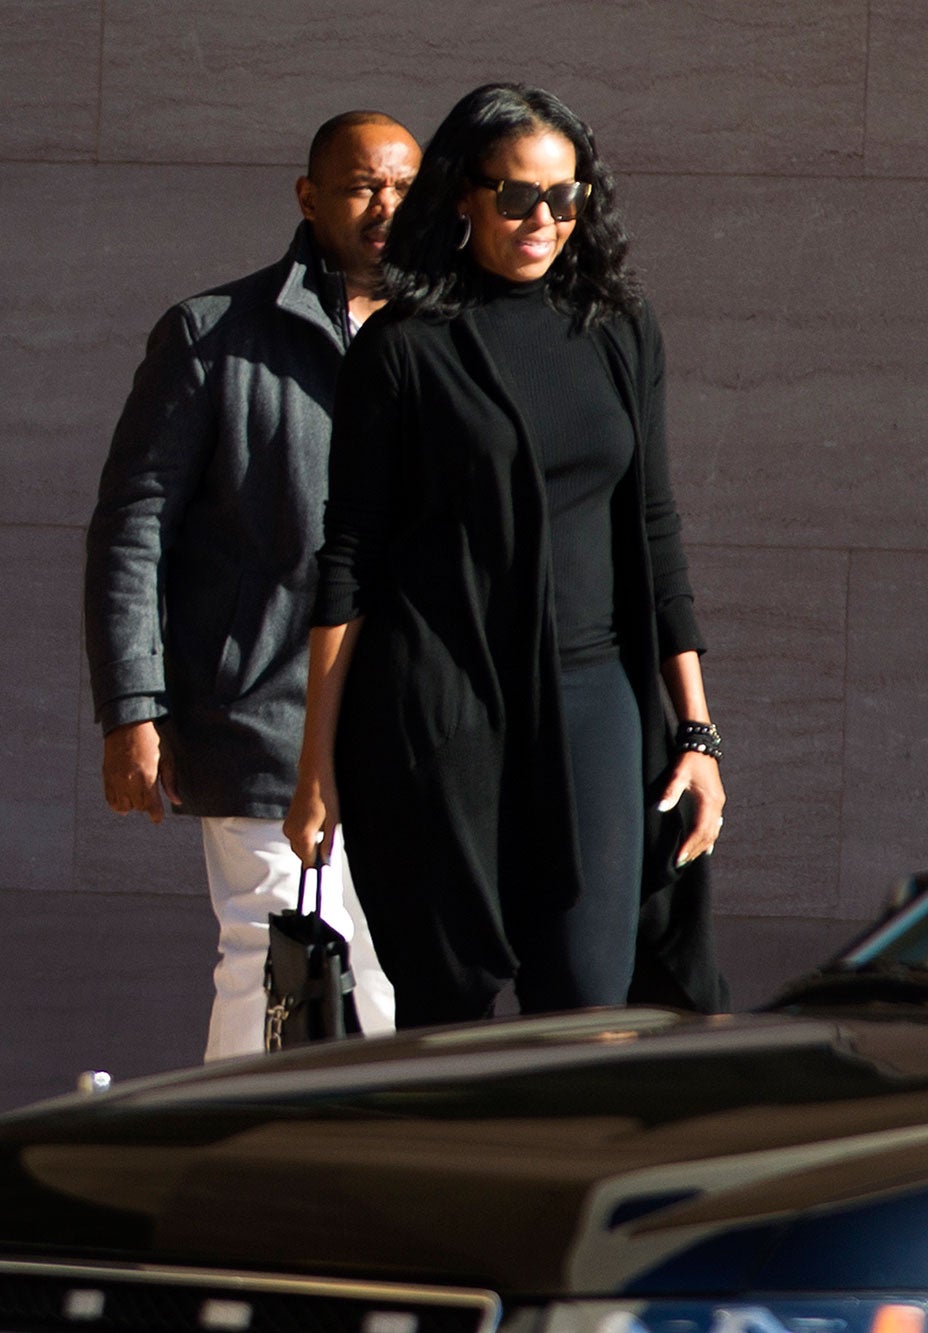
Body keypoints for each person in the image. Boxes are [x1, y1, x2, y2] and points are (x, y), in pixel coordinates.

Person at [285, 83, 728, 1029]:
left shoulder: (619, 328)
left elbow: (655, 526)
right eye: (518, 195)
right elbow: (349, 558)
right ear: (463, 194)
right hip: (444, 708)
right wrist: (316, 759)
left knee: (589, 999)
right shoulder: (402, 349)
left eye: (566, 197)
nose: (544, 220)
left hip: (593, 699)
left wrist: (696, 732)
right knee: (449, 1007)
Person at [85, 112, 421, 1059]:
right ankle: (233, 1145)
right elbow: (132, 529)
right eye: (362, 186)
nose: (387, 207)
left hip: (410, 720)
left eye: (406, 188)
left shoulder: (450, 336)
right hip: (261, 713)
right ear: (309, 197)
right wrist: (132, 708)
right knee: (274, 959)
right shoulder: (215, 335)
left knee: (387, 975)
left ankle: (359, 1149)